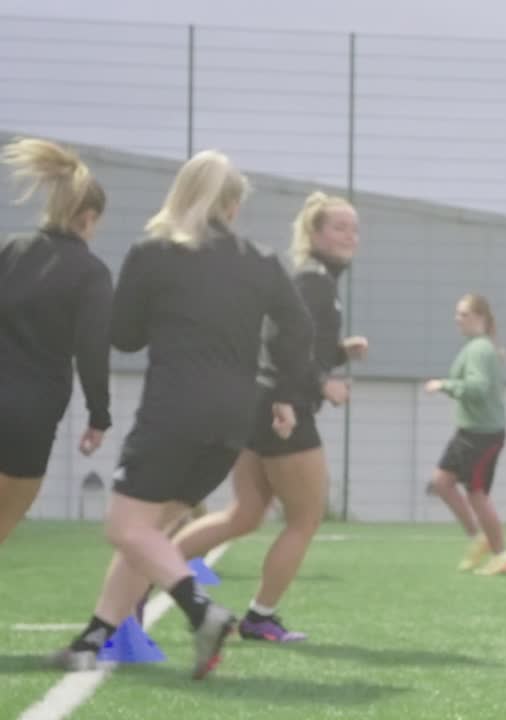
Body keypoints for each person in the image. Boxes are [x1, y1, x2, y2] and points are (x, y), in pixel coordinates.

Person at [52, 150, 315, 679]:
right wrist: (284, 394)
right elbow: (301, 331)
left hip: (174, 411)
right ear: (233, 206)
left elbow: (125, 337)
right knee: (149, 531)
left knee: (126, 528)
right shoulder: (261, 260)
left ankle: (202, 612)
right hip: (233, 421)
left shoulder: (154, 252)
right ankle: (95, 637)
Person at [170, 191, 368, 642]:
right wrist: (320, 386)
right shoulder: (314, 280)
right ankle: (260, 617)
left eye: (355, 228)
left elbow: (295, 346)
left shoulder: (312, 279)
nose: (350, 236)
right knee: (305, 519)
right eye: (339, 227)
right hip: (283, 407)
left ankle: (146, 571)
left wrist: (338, 353)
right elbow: (281, 347)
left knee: (244, 515)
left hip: (259, 401)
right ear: (314, 233)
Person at [0, 138, 112, 544]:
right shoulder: (91, 272)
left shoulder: (11, 250)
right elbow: (92, 352)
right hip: (33, 410)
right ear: (87, 217)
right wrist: (99, 416)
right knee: (6, 518)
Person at [425, 294, 506, 576]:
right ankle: (479, 537)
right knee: (442, 481)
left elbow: (478, 387)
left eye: (463, 314)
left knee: (477, 493)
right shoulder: (476, 347)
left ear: (480, 318)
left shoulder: (479, 349)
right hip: (468, 431)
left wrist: (445, 385)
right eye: (457, 313)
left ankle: (501, 554)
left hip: (483, 435)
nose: (457, 319)